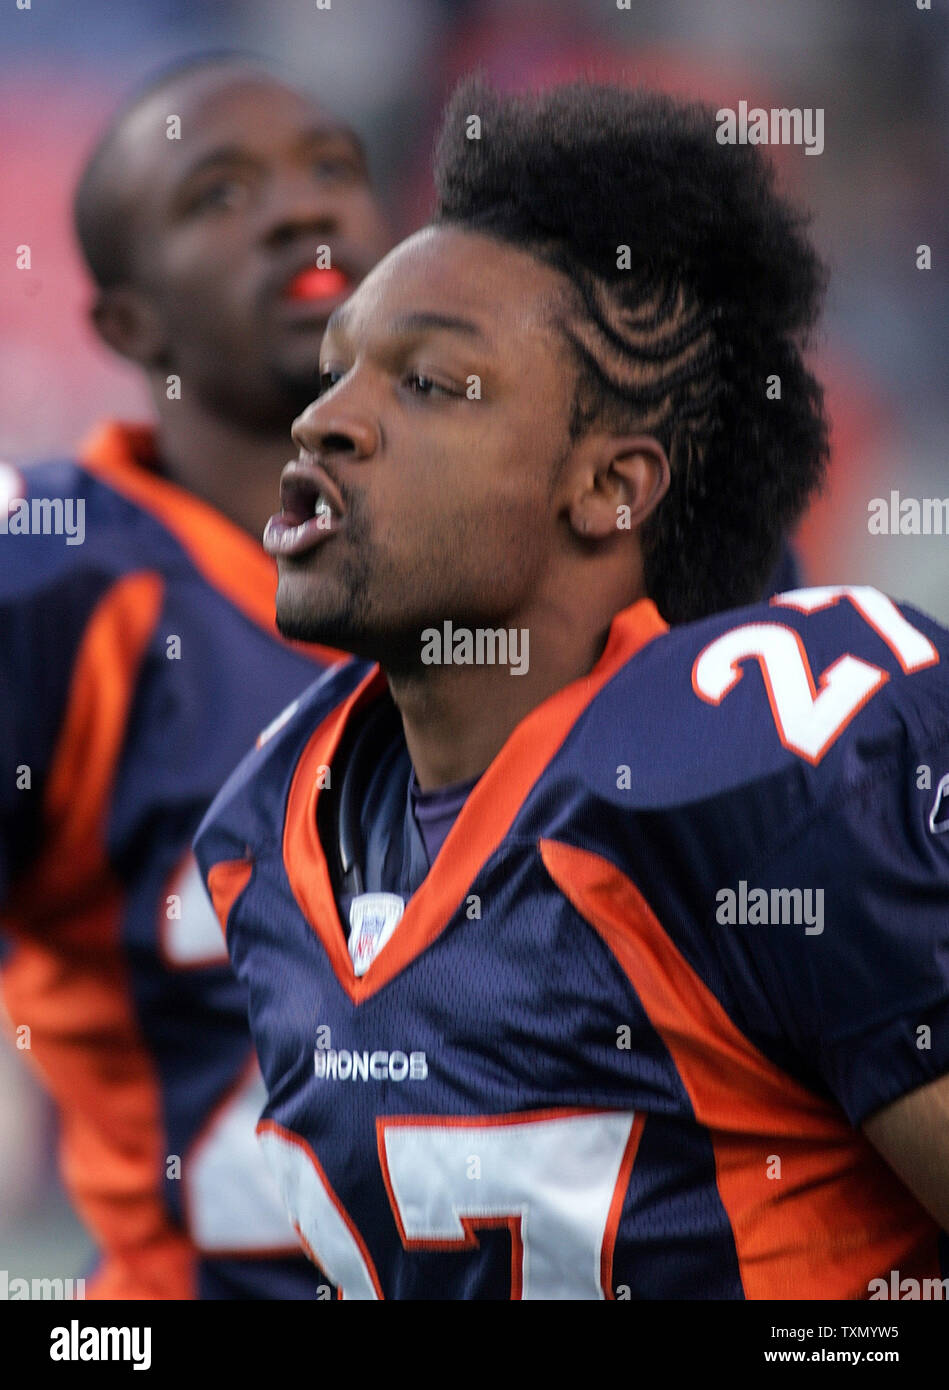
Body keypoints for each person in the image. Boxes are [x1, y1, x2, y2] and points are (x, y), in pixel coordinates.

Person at [195, 79, 949, 1300]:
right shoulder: (267, 830)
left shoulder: (774, 765)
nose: (327, 422)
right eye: (335, 373)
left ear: (610, 485)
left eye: (428, 383)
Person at [0, 53, 391, 1299]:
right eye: (219, 194)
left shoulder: (539, 537)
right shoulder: (58, 585)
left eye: (333, 169)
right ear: (128, 323)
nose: (299, 209)